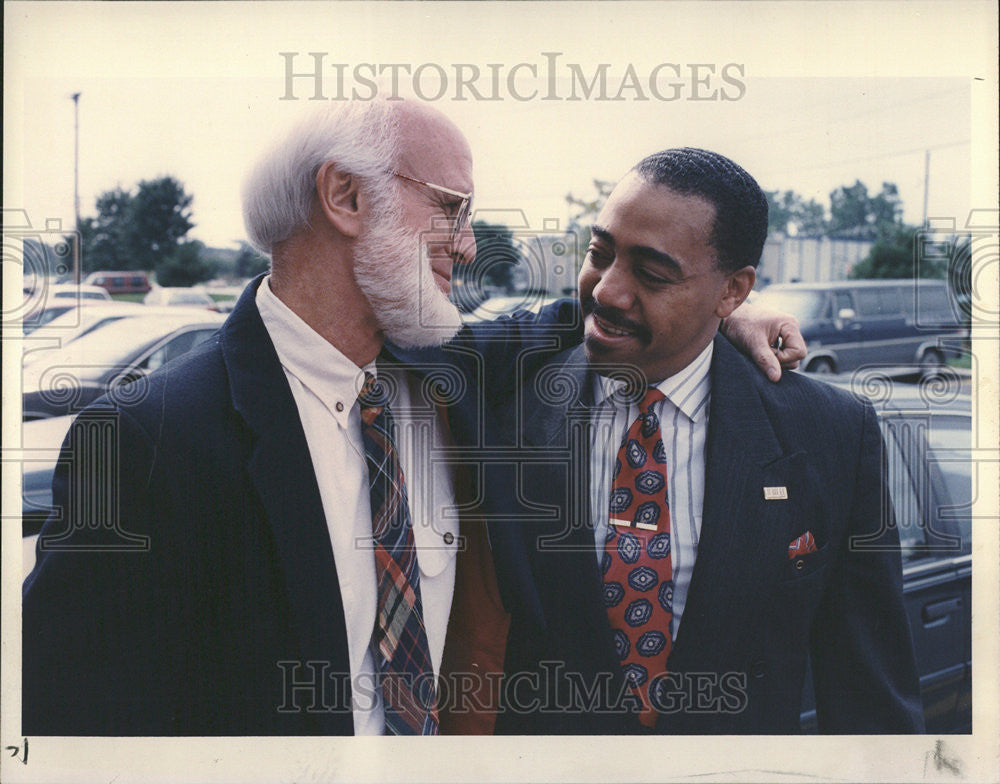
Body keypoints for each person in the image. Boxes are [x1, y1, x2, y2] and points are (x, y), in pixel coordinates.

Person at [22, 100, 803, 736]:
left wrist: (722, 310)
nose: (466, 247)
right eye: (452, 208)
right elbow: (74, 722)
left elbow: (582, 314)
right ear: (346, 197)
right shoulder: (146, 439)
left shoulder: (449, 375)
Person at [473, 148, 924, 734]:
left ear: (733, 290)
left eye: (653, 275)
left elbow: (870, 694)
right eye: (599, 254)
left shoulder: (831, 432)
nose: (607, 290)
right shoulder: (506, 403)